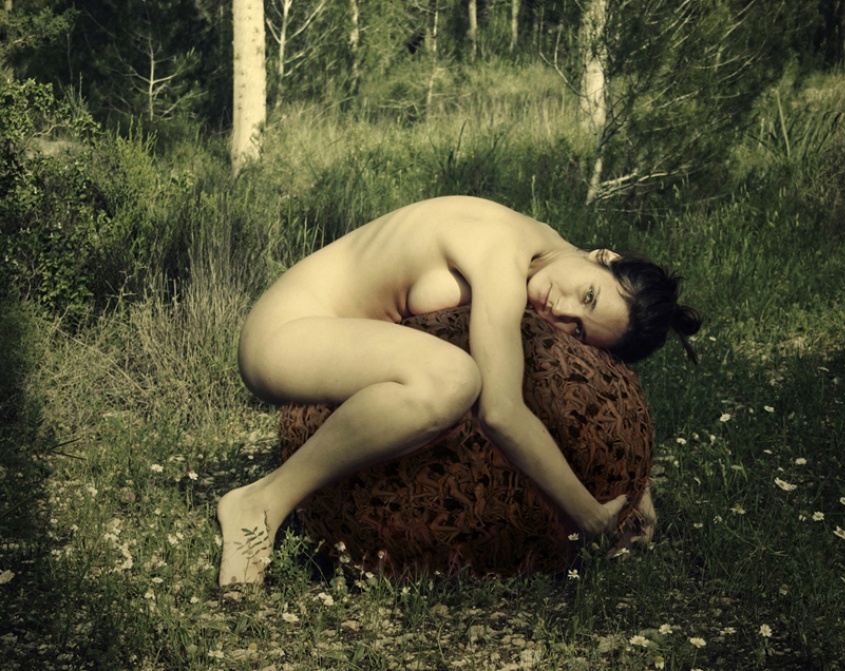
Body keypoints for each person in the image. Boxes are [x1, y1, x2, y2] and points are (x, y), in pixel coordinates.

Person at [218, 195, 701, 585]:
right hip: (286, 334)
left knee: (463, 372)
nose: (562, 310)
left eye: (578, 329)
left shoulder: (545, 253)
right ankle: (261, 503)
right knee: (453, 379)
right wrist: (589, 516)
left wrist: (632, 483)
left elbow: (584, 380)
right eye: (588, 295)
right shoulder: (502, 247)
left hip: (339, 340)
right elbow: (501, 412)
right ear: (604, 257)